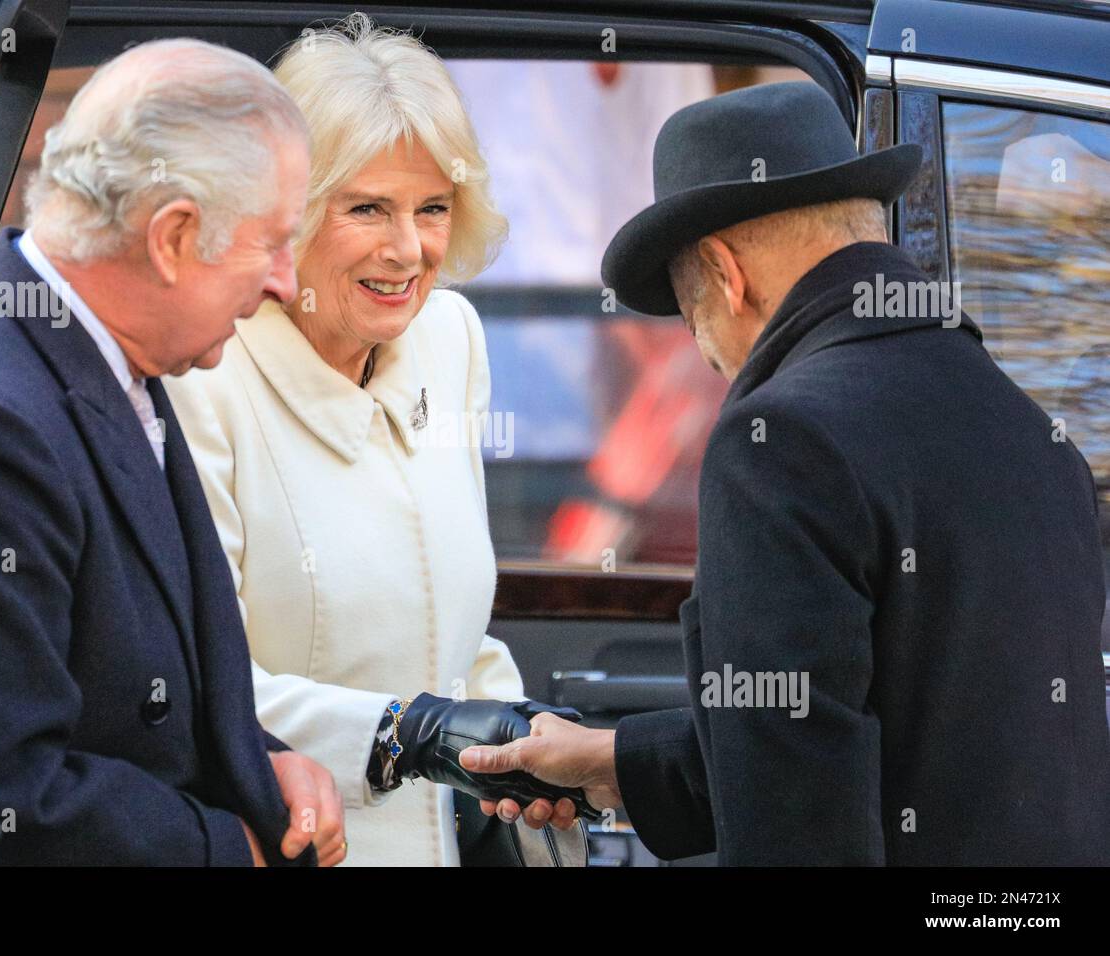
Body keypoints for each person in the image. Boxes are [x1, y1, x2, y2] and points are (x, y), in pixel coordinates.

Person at [459, 81, 1110, 865]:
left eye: (692, 318)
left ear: (726, 274)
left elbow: (796, 820)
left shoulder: (782, 443)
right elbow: (880, 731)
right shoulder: (1035, 433)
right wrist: (613, 760)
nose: (709, 359)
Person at [0, 39, 346, 866]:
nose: (283, 280)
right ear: (173, 239)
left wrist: (263, 761)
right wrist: (224, 848)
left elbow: (129, 680)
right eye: (270, 241)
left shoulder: (94, 350)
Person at [163, 14, 581, 866]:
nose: (408, 249)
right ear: (290, 212)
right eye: (367, 208)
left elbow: (453, 642)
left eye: (433, 207)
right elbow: (191, 685)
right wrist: (402, 735)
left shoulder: (450, 338)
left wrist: (541, 755)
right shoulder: (201, 378)